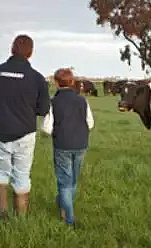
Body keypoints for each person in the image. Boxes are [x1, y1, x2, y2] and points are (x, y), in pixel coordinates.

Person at [0, 34, 50, 218]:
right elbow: (43, 109)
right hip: (25, 134)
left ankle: (1, 214)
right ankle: (21, 218)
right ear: (30, 53)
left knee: (0, 172)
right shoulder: (37, 78)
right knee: (22, 174)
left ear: (11, 49)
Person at [42, 68, 94, 227]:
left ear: (56, 83)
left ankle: (69, 219)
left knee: (65, 182)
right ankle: (63, 205)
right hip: (81, 145)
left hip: (62, 145)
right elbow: (90, 124)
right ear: (72, 82)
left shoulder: (53, 102)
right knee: (72, 180)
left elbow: (46, 128)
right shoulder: (83, 101)